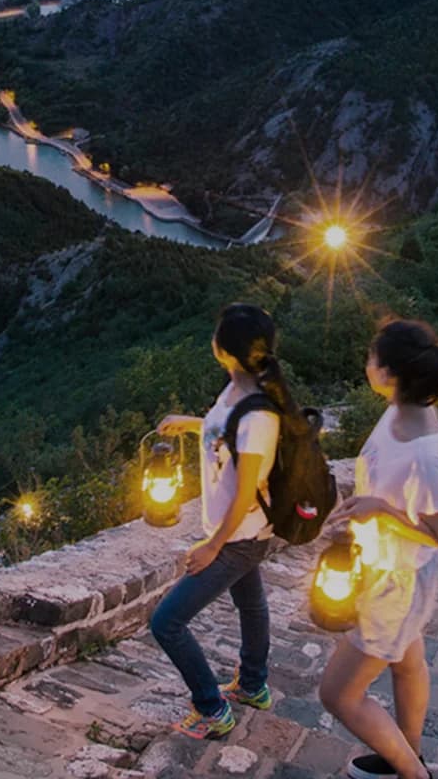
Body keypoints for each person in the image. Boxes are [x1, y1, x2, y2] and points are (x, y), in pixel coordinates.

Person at [318, 319, 438, 779]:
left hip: (399, 580)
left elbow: (437, 532)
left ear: (390, 373)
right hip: (386, 566)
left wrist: (381, 510)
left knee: (338, 694)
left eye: (373, 356)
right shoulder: (398, 410)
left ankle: (414, 774)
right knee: (408, 665)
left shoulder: (426, 451)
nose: (367, 361)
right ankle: (406, 755)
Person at [151, 303, 289, 739]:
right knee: (251, 604)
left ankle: (211, 708)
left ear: (225, 349)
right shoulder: (236, 389)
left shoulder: (259, 414)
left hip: (240, 536)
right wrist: (191, 424)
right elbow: (225, 433)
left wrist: (213, 546)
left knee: (166, 622)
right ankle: (253, 685)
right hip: (238, 533)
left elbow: (248, 492)